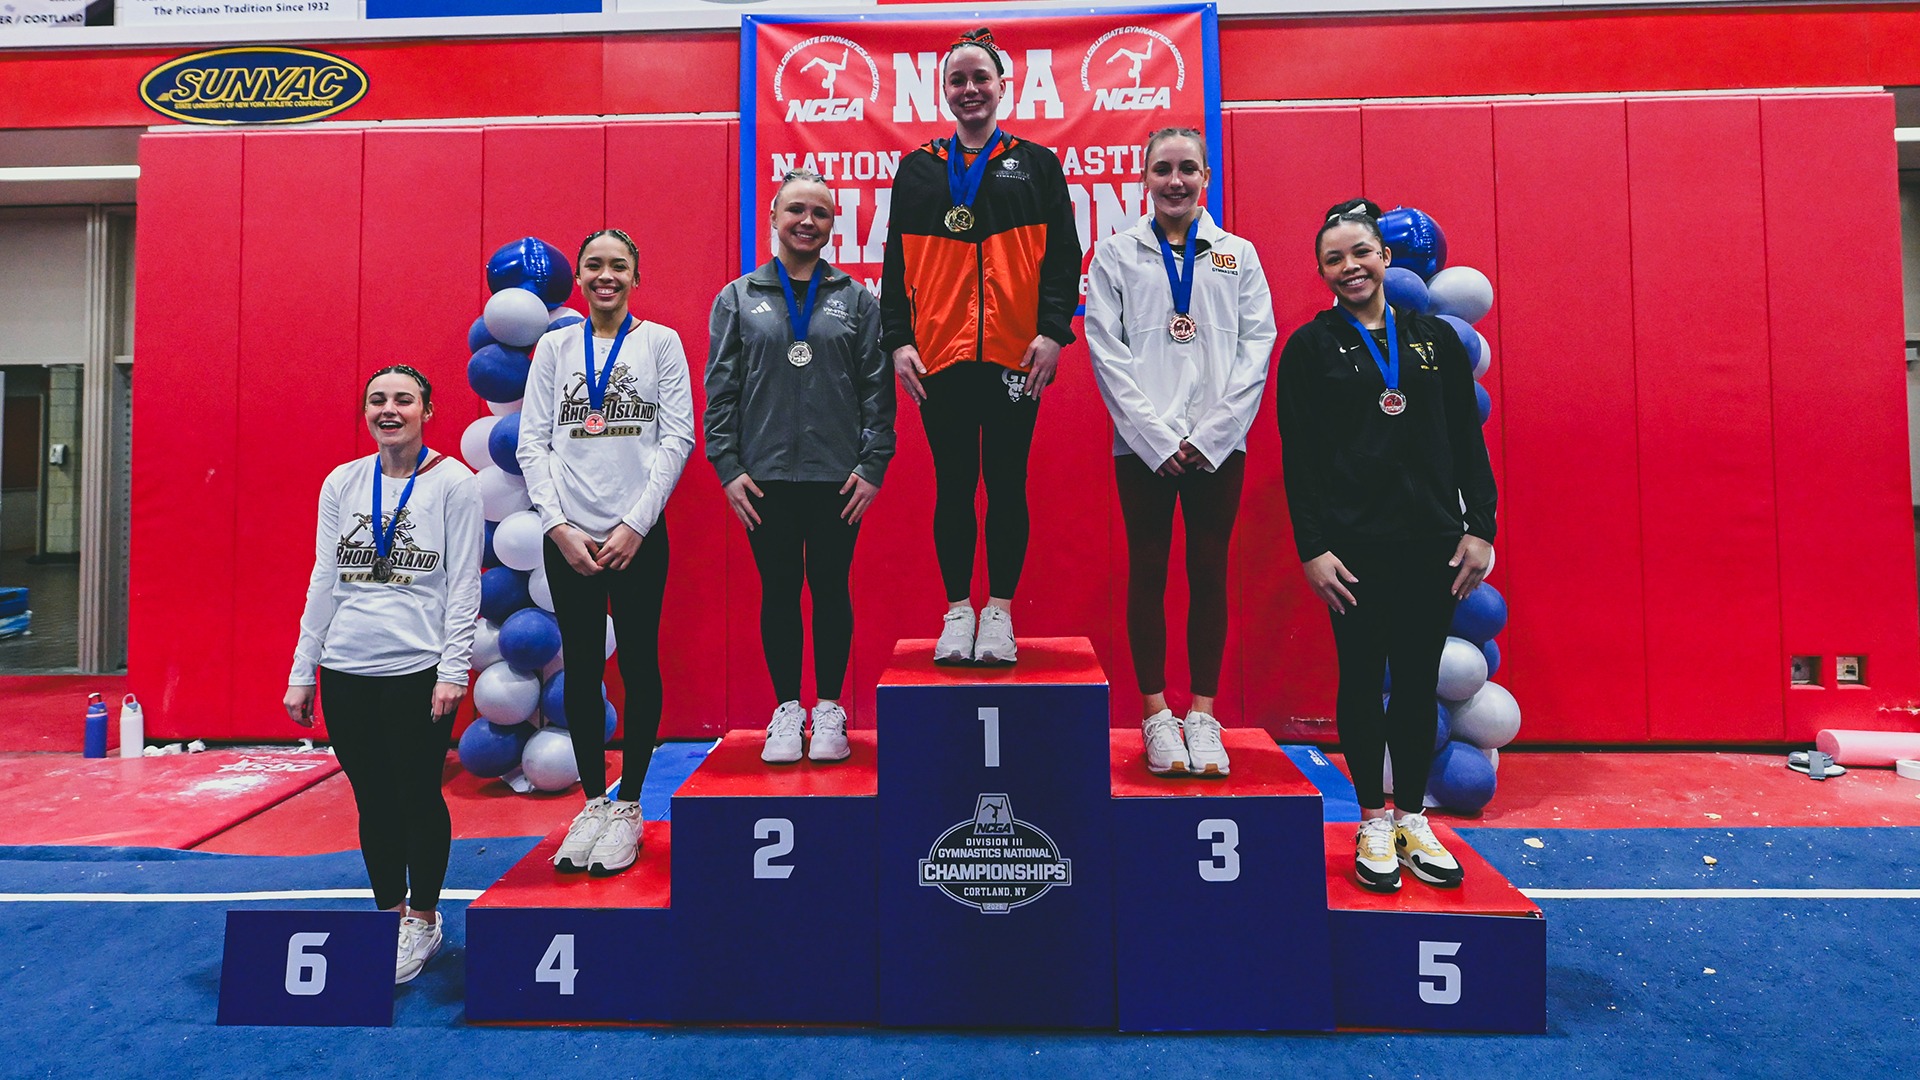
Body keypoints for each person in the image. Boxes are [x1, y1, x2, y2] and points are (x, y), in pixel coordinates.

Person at [1275, 199, 1496, 891]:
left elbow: (1468, 442)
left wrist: (1480, 527)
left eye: (1360, 253)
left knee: (1415, 684)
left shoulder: (1432, 340)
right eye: (1334, 259)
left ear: (1385, 258)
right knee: (1362, 682)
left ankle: (1411, 818)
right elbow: (1300, 459)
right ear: (1322, 272)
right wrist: (1313, 548)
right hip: (1354, 554)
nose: (1350, 268)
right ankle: (1371, 818)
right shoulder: (1310, 349)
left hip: (1431, 545)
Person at [880, 25, 1081, 665]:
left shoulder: (1038, 164)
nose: (970, 90)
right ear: (944, 92)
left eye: (980, 78)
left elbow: (1064, 261)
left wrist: (1052, 332)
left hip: (1016, 357)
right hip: (939, 356)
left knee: (1008, 482)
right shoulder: (917, 169)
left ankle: (999, 612)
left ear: (1003, 87)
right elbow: (894, 266)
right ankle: (956, 611)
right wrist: (897, 342)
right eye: (957, 81)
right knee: (953, 485)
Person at [1085, 127, 1274, 779]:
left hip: (1218, 447)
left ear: (1205, 178)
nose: (1175, 181)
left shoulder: (1237, 255)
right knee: (1148, 571)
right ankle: (1157, 714)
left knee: (1208, 573)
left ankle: (1202, 714)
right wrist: (1159, 439)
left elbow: (1258, 348)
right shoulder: (1114, 256)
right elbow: (1105, 353)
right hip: (1142, 448)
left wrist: (1210, 435)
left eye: (1187, 169)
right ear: (1144, 178)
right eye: (1162, 169)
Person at [285, 365, 482, 985]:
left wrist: (454, 669)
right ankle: (387, 914)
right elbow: (324, 579)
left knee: (417, 794)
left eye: (403, 399)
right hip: (346, 669)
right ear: (365, 411)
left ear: (428, 409)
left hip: (418, 671)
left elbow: (464, 584)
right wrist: (302, 671)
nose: (389, 409)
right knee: (372, 799)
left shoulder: (455, 483)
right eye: (377, 400)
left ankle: (423, 917)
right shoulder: (342, 482)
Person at [517, 228, 695, 876]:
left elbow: (677, 438)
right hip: (569, 539)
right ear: (582, 277)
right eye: (594, 264)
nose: (605, 275)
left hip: (637, 536)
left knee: (640, 664)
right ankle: (592, 802)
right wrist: (558, 525)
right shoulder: (554, 346)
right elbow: (532, 443)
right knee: (584, 669)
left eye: (618, 264)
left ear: (635, 276)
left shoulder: (660, 343)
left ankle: (629, 808)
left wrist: (635, 526)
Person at [706, 168, 895, 765]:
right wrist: (728, 465)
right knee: (780, 590)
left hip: (838, 478)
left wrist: (872, 465)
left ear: (832, 223)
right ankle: (788, 708)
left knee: (832, 588)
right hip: (762, 479)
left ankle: (830, 709)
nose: (806, 221)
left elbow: (876, 388)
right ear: (774, 216)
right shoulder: (738, 297)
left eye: (819, 212)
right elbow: (721, 390)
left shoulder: (856, 299)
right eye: (796, 210)